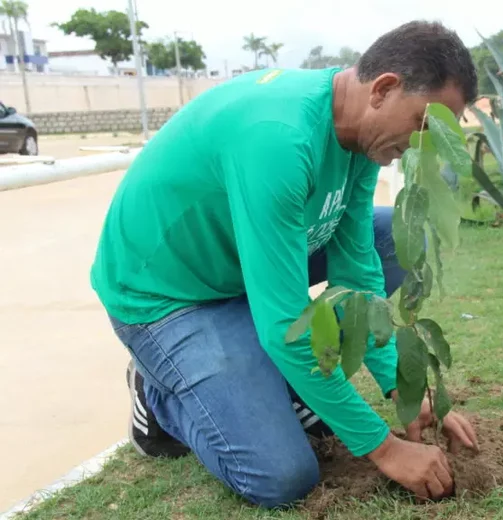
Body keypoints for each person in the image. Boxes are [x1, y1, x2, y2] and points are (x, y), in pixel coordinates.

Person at [89, 20, 480, 508]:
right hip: (166, 294)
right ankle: (159, 396)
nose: (422, 143)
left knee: (392, 237)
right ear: (383, 88)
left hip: (243, 268)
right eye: (423, 122)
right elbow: (285, 324)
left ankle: (278, 379)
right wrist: (383, 448)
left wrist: (404, 393)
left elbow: (357, 276)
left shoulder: (359, 134)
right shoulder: (278, 139)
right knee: (279, 477)